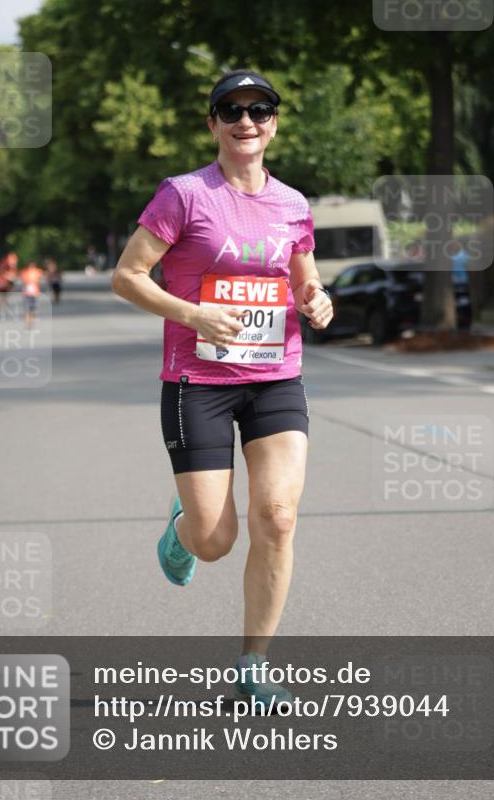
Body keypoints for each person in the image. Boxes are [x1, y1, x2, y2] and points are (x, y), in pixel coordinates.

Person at [112, 69, 333, 708]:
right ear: (212, 123)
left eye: (259, 109)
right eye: (230, 110)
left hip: (275, 378)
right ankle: (183, 527)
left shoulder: (293, 205)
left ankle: (254, 663)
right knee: (215, 541)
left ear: (274, 122)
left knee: (279, 517)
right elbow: (128, 276)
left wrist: (318, 303)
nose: (246, 121)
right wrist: (193, 314)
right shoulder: (184, 195)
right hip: (197, 381)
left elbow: (306, 282)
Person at [19, 261, 44, 328]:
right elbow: (23, 280)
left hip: (34, 293)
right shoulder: (25, 272)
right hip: (27, 293)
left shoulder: (37, 272)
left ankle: (31, 320)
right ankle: (28, 321)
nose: (31, 267)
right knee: (27, 308)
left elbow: (40, 278)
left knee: (32, 308)